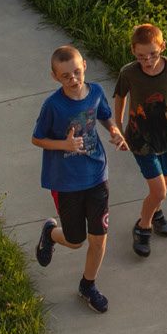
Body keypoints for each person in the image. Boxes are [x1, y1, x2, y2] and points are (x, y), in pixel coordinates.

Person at [31, 44, 128, 312]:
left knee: (98, 238)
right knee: (76, 241)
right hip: (66, 183)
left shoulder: (95, 92)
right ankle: (51, 233)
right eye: (66, 76)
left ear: (84, 65)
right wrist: (64, 145)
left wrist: (115, 132)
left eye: (76, 72)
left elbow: (106, 117)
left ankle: (88, 285)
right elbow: (37, 138)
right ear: (55, 77)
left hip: (97, 176)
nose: (73, 79)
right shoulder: (53, 105)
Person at [111, 22, 167, 258]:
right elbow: (120, 96)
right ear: (133, 51)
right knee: (158, 190)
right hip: (140, 139)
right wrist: (117, 128)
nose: (147, 61)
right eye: (141, 56)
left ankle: (156, 213)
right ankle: (143, 227)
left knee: (165, 181)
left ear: (162, 47)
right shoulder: (128, 72)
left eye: (153, 54)